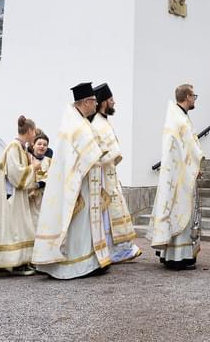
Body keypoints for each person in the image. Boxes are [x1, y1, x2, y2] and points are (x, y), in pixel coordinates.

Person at [33, 83, 113, 279]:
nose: (96, 105)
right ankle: (77, 263)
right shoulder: (74, 124)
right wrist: (98, 152)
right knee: (79, 227)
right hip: (78, 185)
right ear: (85, 102)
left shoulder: (80, 121)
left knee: (87, 226)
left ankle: (91, 261)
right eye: (94, 101)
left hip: (88, 184)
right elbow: (81, 153)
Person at [149, 83, 205, 271]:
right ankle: (178, 258)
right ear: (187, 96)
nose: (194, 99)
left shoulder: (177, 116)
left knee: (177, 213)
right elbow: (188, 148)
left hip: (178, 174)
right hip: (180, 176)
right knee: (181, 213)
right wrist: (196, 165)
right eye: (194, 96)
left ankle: (173, 255)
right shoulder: (179, 120)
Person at [90, 83, 141, 263]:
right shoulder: (97, 123)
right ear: (104, 102)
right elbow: (98, 152)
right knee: (108, 213)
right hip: (103, 176)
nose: (114, 102)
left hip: (110, 174)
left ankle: (120, 248)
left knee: (115, 210)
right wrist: (113, 155)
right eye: (111, 99)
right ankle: (112, 250)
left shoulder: (103, 121)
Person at [0, 115, 40, 276]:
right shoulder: (14, 147)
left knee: (14, 229)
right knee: (13, 230)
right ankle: (10, 263)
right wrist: (34, 168)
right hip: (11, 196)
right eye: (34, 131)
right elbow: (16, 174)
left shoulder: (20, 147)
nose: (35, 134)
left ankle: (11, 263)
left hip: (16, 195)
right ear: (29, 131)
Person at [28, 132, 52, 219]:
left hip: (44, 198)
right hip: (29, 198)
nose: (42, 146)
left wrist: (39, 184)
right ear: (33, 145)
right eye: (39, 144)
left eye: (45, 145)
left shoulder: (49, 161)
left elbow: (52, 178)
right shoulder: (27, 158)